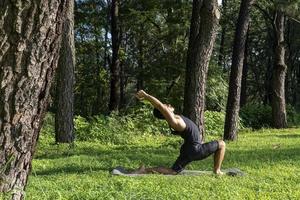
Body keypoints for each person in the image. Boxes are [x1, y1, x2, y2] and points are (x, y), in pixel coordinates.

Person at [133, 90, 226, 175]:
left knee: (173, 171)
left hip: (188, 148)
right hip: (195, 149)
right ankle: (217, 170)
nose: (168, 105)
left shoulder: (176, 118)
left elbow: (160, 107)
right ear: (164, 112)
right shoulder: (174, 121)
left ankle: (145, 170)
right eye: (166, 106)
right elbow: (159, 106)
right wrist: (147, 96)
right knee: (222, 144)